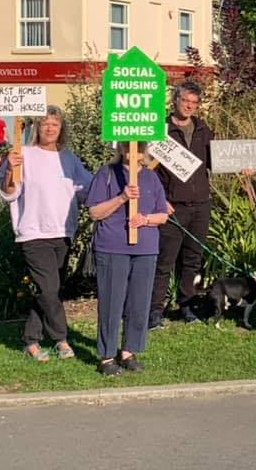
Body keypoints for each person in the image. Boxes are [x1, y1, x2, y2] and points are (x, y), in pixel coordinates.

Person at [0, 106, 93, 362]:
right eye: (45, 123)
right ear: (37, 128)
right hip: (33, 231)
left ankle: (31, 340)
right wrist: (9, 170)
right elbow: (9, 193)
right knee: (49, 288)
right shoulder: (23, 155)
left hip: (62, 232)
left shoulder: (69, 159)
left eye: (55, 124)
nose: (50, 128)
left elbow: (88, 189)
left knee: (49, 289)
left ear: (62, 129)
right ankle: (61, 339)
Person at [86, 142, 169, 375]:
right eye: (131, 148)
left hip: (145, 248)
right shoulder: (107, 174)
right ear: (122, 149)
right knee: (111, 303)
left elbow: (162, 215)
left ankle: (129, 351)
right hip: (113, 247)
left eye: (140, 149)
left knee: (139, 303)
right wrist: (122, 197)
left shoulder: (152, 178)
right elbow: (94, 212)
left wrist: (146, 219)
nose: (135, 154)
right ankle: (106, 356)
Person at [149, 80, 213, 329]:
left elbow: (216, 162)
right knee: (165, 260)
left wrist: (242, 167)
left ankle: (186, 306)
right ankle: (155, 311)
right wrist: (159, 201)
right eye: (185, 100)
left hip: (201, 205)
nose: (189, 106)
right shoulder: (159, 130)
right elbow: (147, 170)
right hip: (172, 206)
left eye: (194, 102)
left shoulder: (203, 130)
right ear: (175, 101)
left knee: (192, 260)